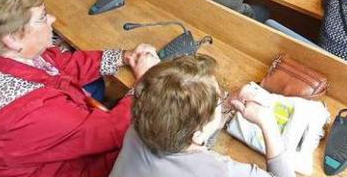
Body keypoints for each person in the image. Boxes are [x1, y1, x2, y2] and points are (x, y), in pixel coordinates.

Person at [0, 0, 159, 177]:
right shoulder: (27, 110)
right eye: (42, 18)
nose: (52, 19)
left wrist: (122, 56)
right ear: (11, 38)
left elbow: (60, 65)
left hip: (43, 155)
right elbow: (111, 133)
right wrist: (146, 82)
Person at [110, 54, 293, 177]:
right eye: (219, 99)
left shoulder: (139, 125)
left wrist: (221, 109)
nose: (223, 98)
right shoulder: (222, 172)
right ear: (197, 133)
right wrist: (267, 122)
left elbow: (189, 142)